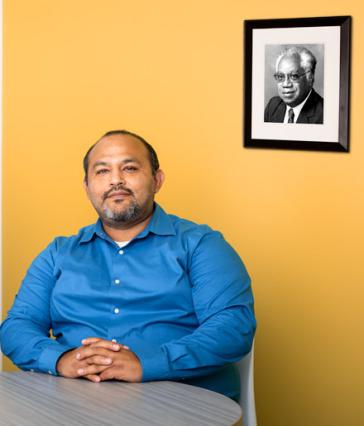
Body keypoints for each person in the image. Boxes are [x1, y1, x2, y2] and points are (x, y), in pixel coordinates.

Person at [0, 130, 256, 401]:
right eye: (102, 171)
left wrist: (146, 364)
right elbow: (17, 327)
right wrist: (62, 359)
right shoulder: (57, 254)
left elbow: (232, 327)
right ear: (87, 187)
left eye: (130, 168)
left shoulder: (201, 245)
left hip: (179, 403)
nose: (116, 180)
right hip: (72, 402)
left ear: (157, 180)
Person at [264, 46, 324, 124]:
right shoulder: (272, 106)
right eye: (280, 76)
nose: (286, 84)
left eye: (294, 76)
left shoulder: (324, 114)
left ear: (309, 78)